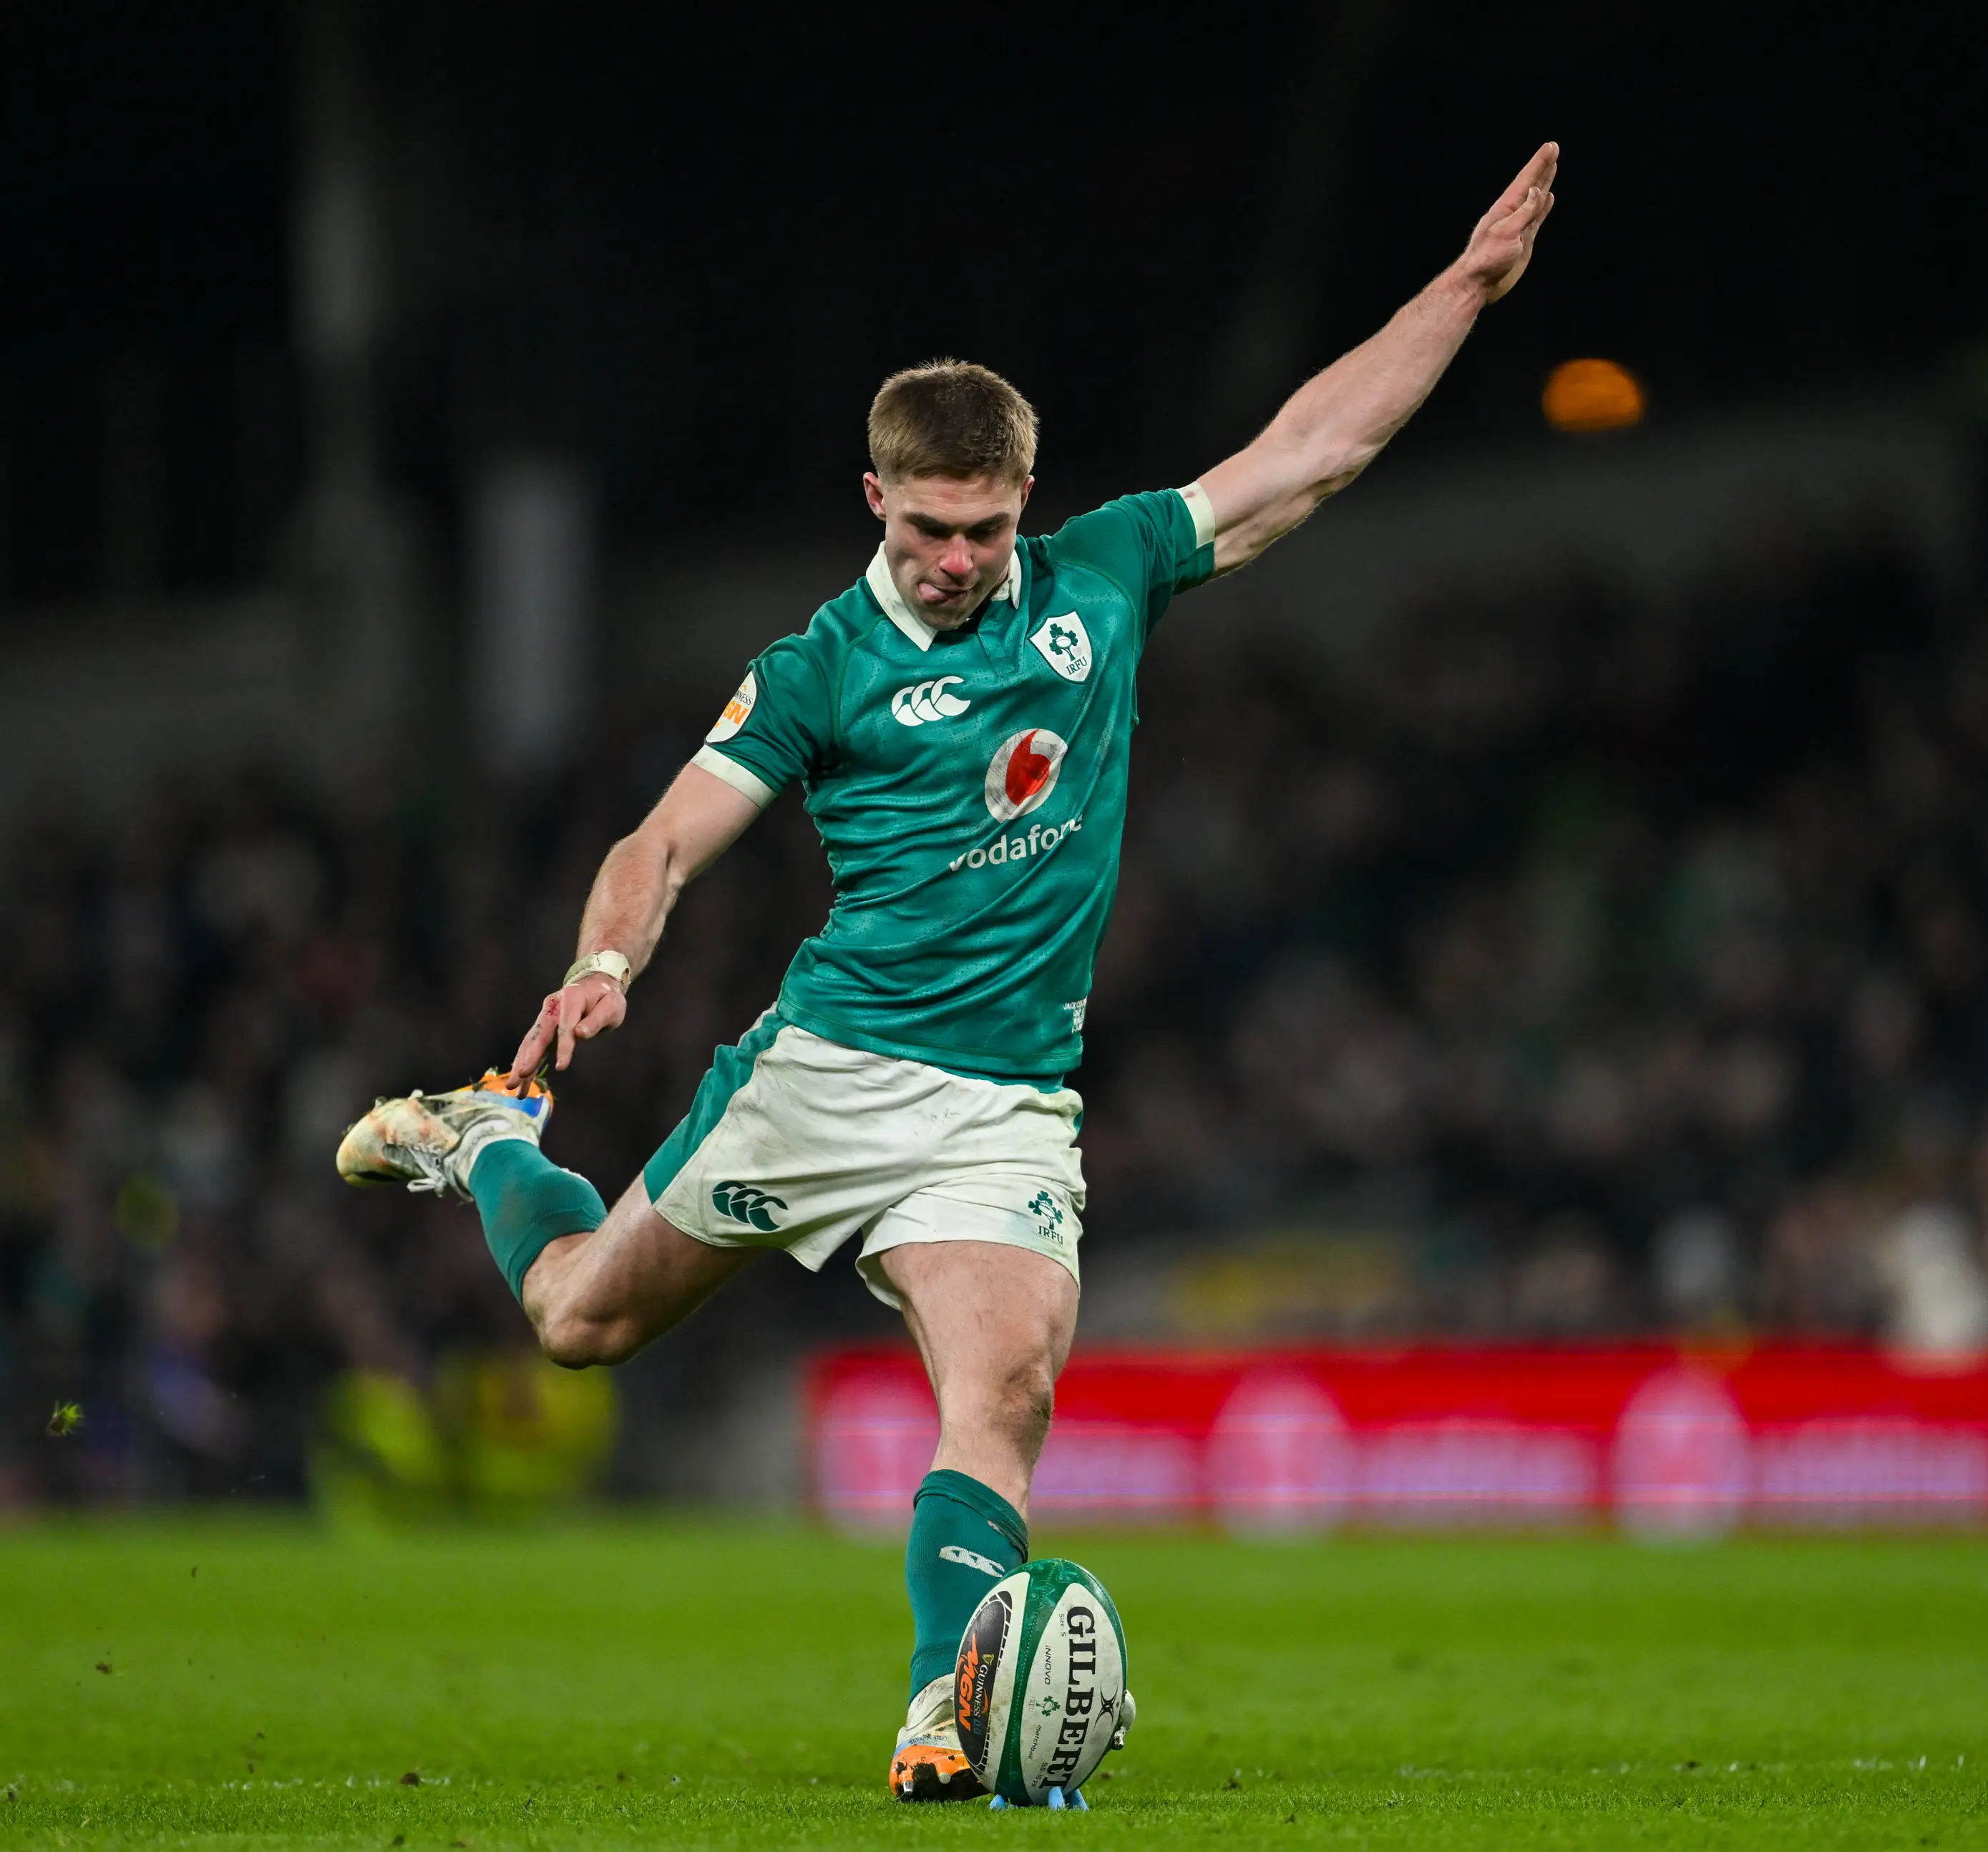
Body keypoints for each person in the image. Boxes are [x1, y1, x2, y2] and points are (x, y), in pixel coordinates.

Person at [334, 142, 1559, 1803]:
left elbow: (1311, 451)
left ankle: (938, 1710)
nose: (960, 560)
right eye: (930, 528)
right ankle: (491, 1145)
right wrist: (605, 956)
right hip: (826, 1073)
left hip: (1001, 1111)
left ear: (1023, 506)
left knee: (1009, 1387)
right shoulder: (818, 668)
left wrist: (1468, 287)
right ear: (875, 503)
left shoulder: (1105, 574)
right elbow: (665, 838)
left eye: (986, 529)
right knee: (574, 1323)